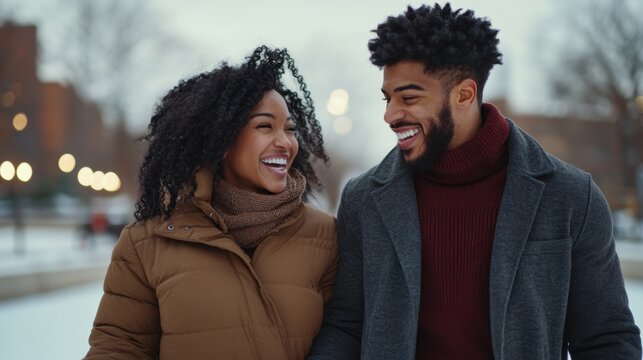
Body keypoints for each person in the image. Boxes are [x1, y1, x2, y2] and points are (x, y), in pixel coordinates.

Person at [308, 3, 641, 359]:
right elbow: (346, 326)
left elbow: (607, 338)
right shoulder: (364, 200)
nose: (389, 115)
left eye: (409, 97)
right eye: (388, 98)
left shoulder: (571, 196)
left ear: (464, 95)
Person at [85, 46, 338, 360]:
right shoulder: (146, 242)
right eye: (264, 126)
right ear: (221, 141)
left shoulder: (325, 235)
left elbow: (342, 337)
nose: (286, 142)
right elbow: (118, 348)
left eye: (290, 129)